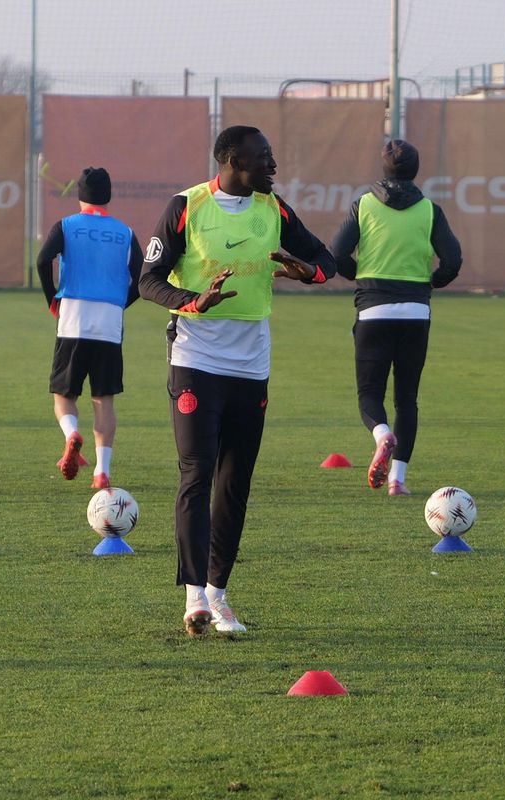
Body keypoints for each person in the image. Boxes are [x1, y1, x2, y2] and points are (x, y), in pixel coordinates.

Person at [139, 125, 337, 635]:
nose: (273, 167)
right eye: (264, 159)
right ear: (231, 161)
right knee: (196, 474)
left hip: (251, 367)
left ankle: (220, 594)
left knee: (234, 484)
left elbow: (328, 262)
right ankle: (193, 596)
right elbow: (148, 281)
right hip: (195, 360)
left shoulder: (274, 209)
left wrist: (304, 272)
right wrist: (192, 302)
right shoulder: (185, 206)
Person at [331, 139, 462, 497]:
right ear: (416, 171)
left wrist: (359, 276)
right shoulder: (430, 210)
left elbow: (336, 253)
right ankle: (397, 480)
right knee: (407, 399)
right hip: (416, 312)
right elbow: (453, 261)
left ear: (384, 169)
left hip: (373, 309)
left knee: (369, 395)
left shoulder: (364, 205)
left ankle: (381, 434)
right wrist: (432, 282)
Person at [36, 167, 142, 489]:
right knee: (103, 398)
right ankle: (101, 471)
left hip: (73, 314)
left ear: (80, 194)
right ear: (107, 195)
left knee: (63, 392)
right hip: (109, 319)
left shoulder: (67, 226)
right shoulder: (125, 233)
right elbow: (140, 278)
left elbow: (43, 260)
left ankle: (72, 435)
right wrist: (120, 304)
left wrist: (52, 298)